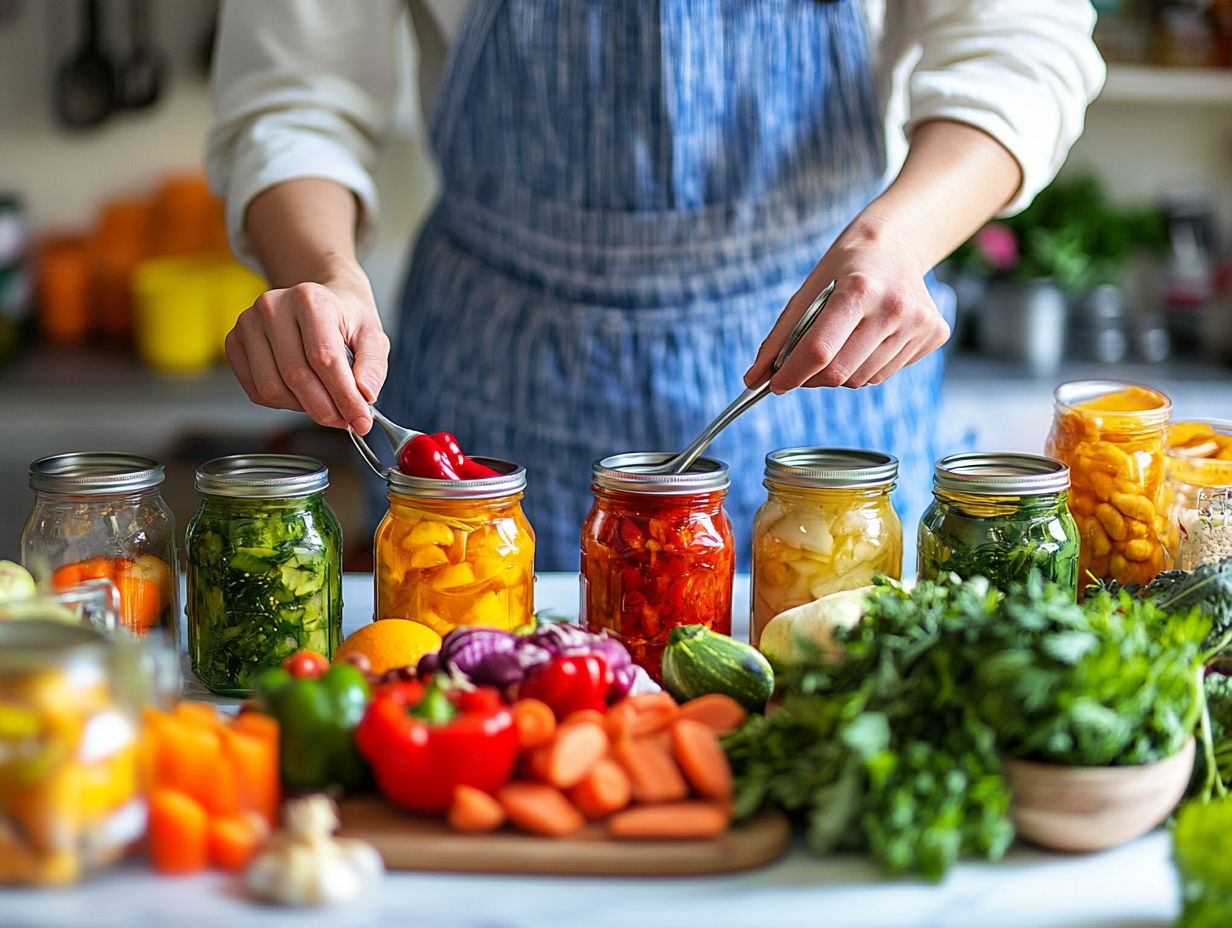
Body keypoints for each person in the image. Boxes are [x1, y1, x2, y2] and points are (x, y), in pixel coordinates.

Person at [207, 1, 1104, 569]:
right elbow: (296, 93)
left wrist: (898, 238)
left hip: (822, 335)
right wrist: (324, 273)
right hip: (501, 345)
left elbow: (1019, 39)